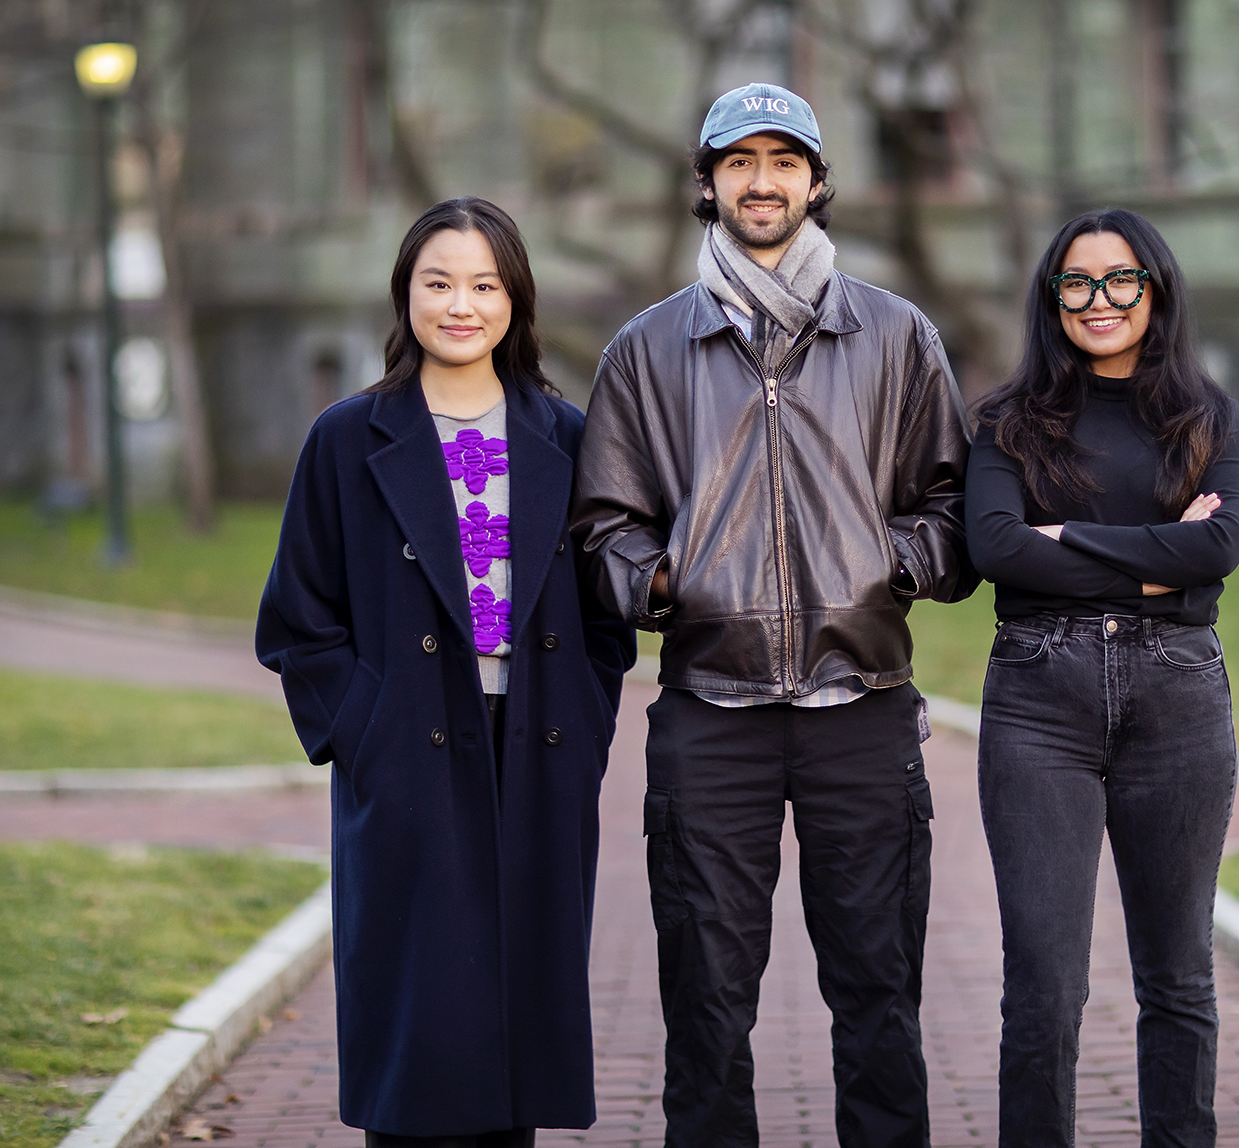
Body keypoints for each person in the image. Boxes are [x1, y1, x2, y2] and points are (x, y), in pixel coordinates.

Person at [570, 83, 976, 1148]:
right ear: (706, 184)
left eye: (782, 160)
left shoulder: (893, 334)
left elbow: (952, 510)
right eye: (738, 161)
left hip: (864, 707)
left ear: (816, 180)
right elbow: (602, 529)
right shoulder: (646, 350)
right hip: (709, 714)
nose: (761, 180)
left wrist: (883, 563)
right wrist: (666, 582)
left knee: (879, 994)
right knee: (706, 1003)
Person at [257, 197, 636, 1148]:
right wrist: (366, 730)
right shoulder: (348, 439)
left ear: (515, 300)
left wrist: (586, 721)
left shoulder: (567, 432)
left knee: (519, 1024)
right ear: (406, 294)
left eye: (484, 284)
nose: (460, 304)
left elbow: (603, 613)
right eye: (439, 282)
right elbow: (298, 619)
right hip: (409, 753)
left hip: (539, 749)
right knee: (417, 1028)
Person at [965, 209, 1239, 1148]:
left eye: (1120, 279)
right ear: (1052, 300)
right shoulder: (1009, 421)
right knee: (1044, 983)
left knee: (1177, 976)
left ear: (1155, 288)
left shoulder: (1209, 416)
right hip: (1038, 700)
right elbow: (995, 547)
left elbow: (1221, 546)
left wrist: (1066, 539)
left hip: (1178, 699)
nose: (1100, 300)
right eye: (1077, 283)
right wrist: (1159, 561)